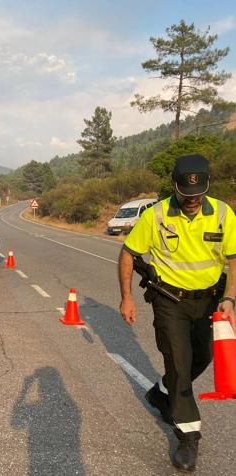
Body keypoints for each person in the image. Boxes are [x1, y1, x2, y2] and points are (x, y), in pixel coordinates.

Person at [118, 154, 236, 472]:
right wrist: (126, 297)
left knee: (202, 357)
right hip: (170, 301)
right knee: (180, 364)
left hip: (209, 301)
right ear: (175, 186)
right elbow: (128, 253)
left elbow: (234, 259)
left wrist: (230, 298)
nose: (193, 199)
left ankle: (161, 392)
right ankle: (188, 437)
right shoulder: (156, 216)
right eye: (186, 193)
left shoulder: (223, 213)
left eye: (199, 193)